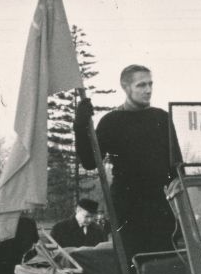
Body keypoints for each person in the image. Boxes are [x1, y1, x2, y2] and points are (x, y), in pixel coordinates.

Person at [74, 64, 181, 260]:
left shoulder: (162, 118)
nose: (148, 90)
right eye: (141, 85)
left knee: (167, 261)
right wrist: (80, 126)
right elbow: (89, 161)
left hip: (159, 204)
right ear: (125, 87)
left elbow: (177, 168)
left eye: (150, 84)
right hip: (126, 206)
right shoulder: (111, 121)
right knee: (134, 262)